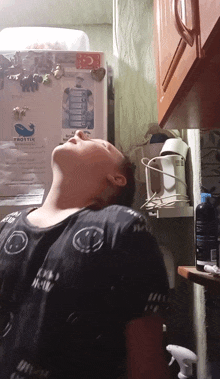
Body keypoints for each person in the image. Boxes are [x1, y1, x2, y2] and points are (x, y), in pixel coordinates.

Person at [0, 130, 170, 379]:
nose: (80, 133)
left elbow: (146, 365)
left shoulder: (121, 226)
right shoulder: (7, 224)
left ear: (116, 178)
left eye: (102, 144)